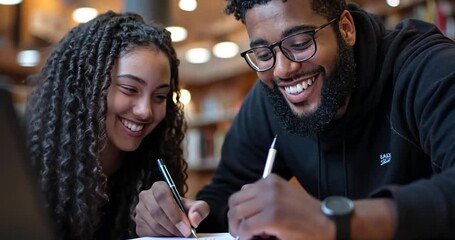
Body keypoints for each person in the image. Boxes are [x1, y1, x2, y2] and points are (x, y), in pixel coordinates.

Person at [134, 0, 455, 239]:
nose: (282, 70)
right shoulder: (270, 99)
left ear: (345, 28)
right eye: (263, 54)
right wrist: (183, 217)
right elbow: (226, 194)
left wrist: (334, 221)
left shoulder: (426, 68)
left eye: (300, 43)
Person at [24, 11, 188, 240]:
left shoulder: (152, 166)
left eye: (160, 96)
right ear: (86, 85)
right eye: (130, 89)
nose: (146, 111)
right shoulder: (27, 168)